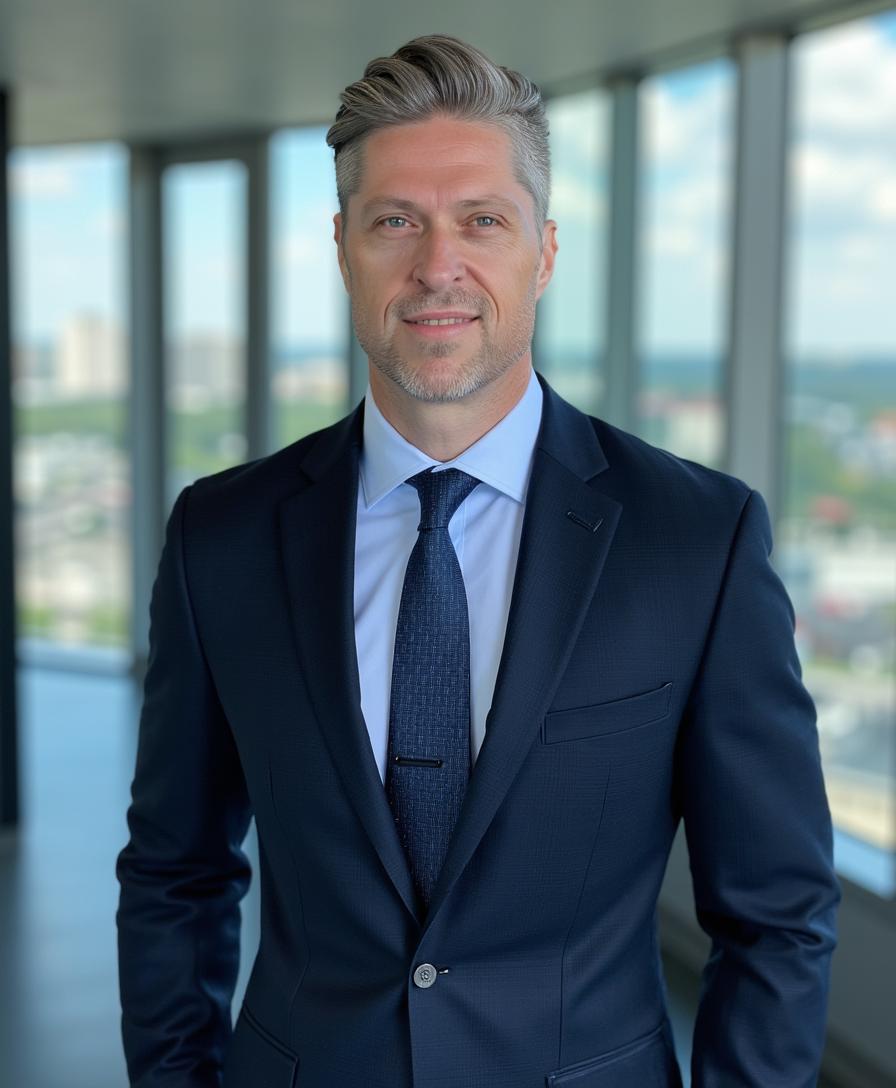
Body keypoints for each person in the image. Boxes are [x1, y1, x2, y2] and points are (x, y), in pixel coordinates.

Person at [116, 33, 840, 1088]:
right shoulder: (220, 537)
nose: (435, 266)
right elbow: (173, 874)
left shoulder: (696, 540)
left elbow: (776, 914)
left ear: (543, 252)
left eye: (481, 221)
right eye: (394, 221)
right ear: (342, 247)